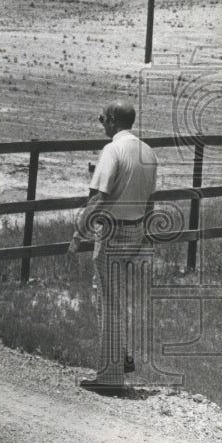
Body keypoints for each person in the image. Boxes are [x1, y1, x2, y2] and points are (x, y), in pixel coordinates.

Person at [69, 98, 157, 396]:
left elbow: (99, 198)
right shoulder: (147, 151)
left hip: (113, 231)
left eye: (102, 118)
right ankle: (120, 354)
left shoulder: (112, 150)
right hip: (136, 230)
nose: (100, 121)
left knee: (106, 298)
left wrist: (78, 231)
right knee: (115, 297)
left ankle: (110, 376)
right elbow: (150, 200)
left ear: (113, 121)